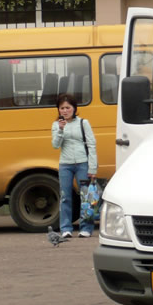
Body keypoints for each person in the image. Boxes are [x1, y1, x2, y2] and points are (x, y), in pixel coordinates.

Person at [51, 93, 98, 238]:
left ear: (74, 108)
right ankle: (65, 228)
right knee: (65, 196)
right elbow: (55, 145)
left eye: (68, 107)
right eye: (62, 108)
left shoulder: (83, 123)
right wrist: (60, 129)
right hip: (65, 164)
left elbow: (91, 145)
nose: (65, 111)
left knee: (87, 196)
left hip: (83, 163)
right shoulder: (56, 125)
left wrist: (92, 168)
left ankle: (86, 228)